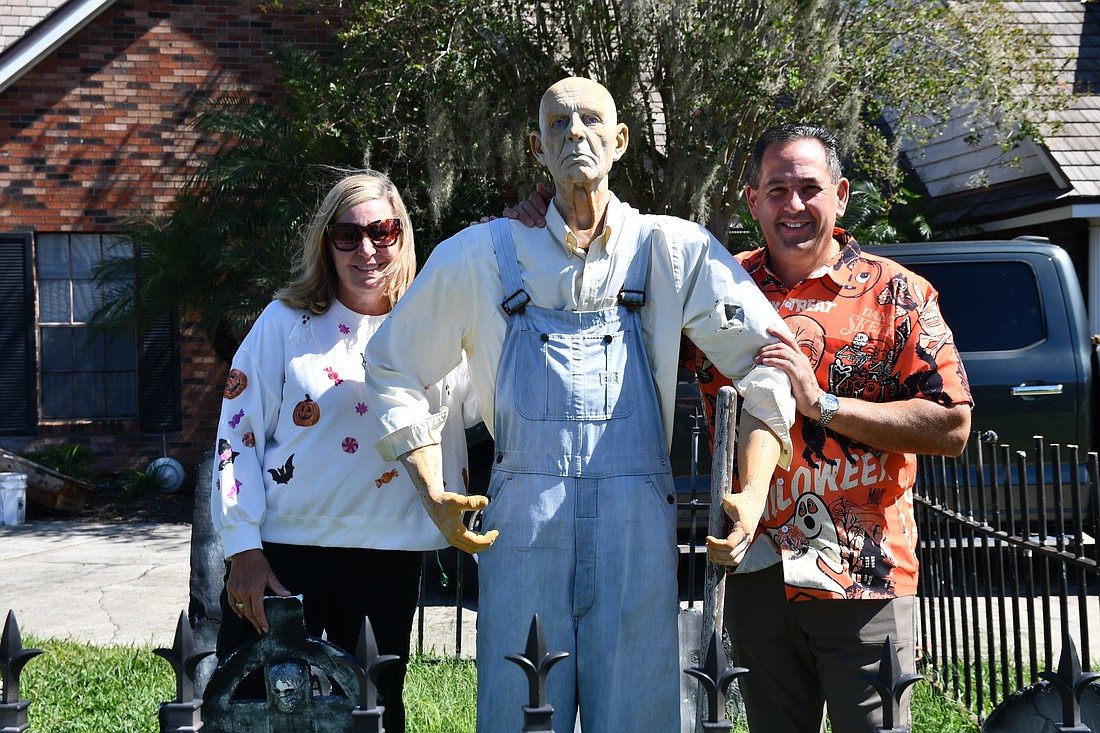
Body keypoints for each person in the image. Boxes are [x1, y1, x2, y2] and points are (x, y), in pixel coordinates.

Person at [362, 76, 796, 733]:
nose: (575, 134)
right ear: (537, 148)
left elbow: (772, 358)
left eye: (591, 120)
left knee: (638, 714)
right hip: (521, 521)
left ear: (620, 140)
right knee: (519, 707)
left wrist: (756, 485)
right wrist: (431, 488)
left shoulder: (671, 250)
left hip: (637, 522)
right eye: (558, 124)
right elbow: (390, 363)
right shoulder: (481, 256)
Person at [683, 124, 973, 732]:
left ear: (840, 195)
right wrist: (543, 213)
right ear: (752, 199)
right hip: (754, 569)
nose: (793, 204)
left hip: (863, 576)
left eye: (809, 188)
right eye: (777, 188)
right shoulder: (715, 291)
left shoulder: (899, 295)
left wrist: (823, 406)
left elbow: (951, 424)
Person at [210, 170, 479, 733]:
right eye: (347, 234)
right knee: (263, 714)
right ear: (325, 243)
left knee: (370, 716)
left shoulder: (434, 328)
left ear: (403, 235)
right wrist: (242, 550)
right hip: (285, 558)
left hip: (389, 558)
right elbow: (237, 435)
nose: (367, 248)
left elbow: (488, 401)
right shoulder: (284, 324)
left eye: (382, 230)